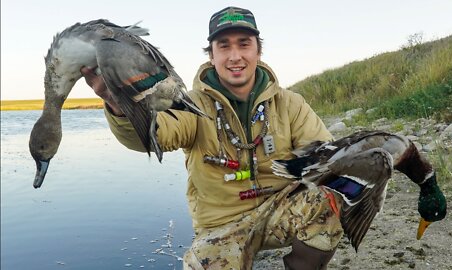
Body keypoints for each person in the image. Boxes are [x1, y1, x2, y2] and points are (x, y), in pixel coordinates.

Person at [81, 6, 343, 270]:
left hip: (282, 210)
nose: (235, 56)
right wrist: (120, 103)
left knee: (333, 197)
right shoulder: (190, 104)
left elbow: (328, 156)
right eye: (224, 46)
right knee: (201, 263)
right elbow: (154, 136)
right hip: (222, 223)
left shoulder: (290, 104)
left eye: (244, 44)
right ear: (211, 55)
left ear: (258, 51)